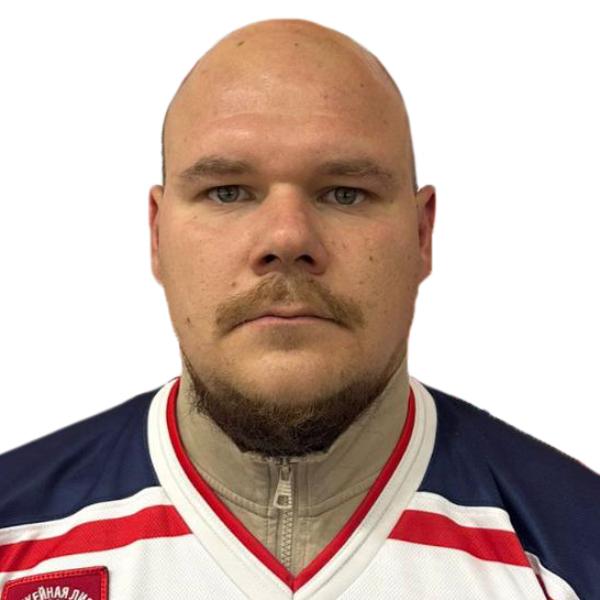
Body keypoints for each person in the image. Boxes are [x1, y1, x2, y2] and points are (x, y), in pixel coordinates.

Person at [0, 17, 598, 600]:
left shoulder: (579, 547)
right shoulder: (13, 534)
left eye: (345, 193)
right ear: (157, 236)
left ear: (422, 236)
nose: (287, 238)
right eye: (227, 192)